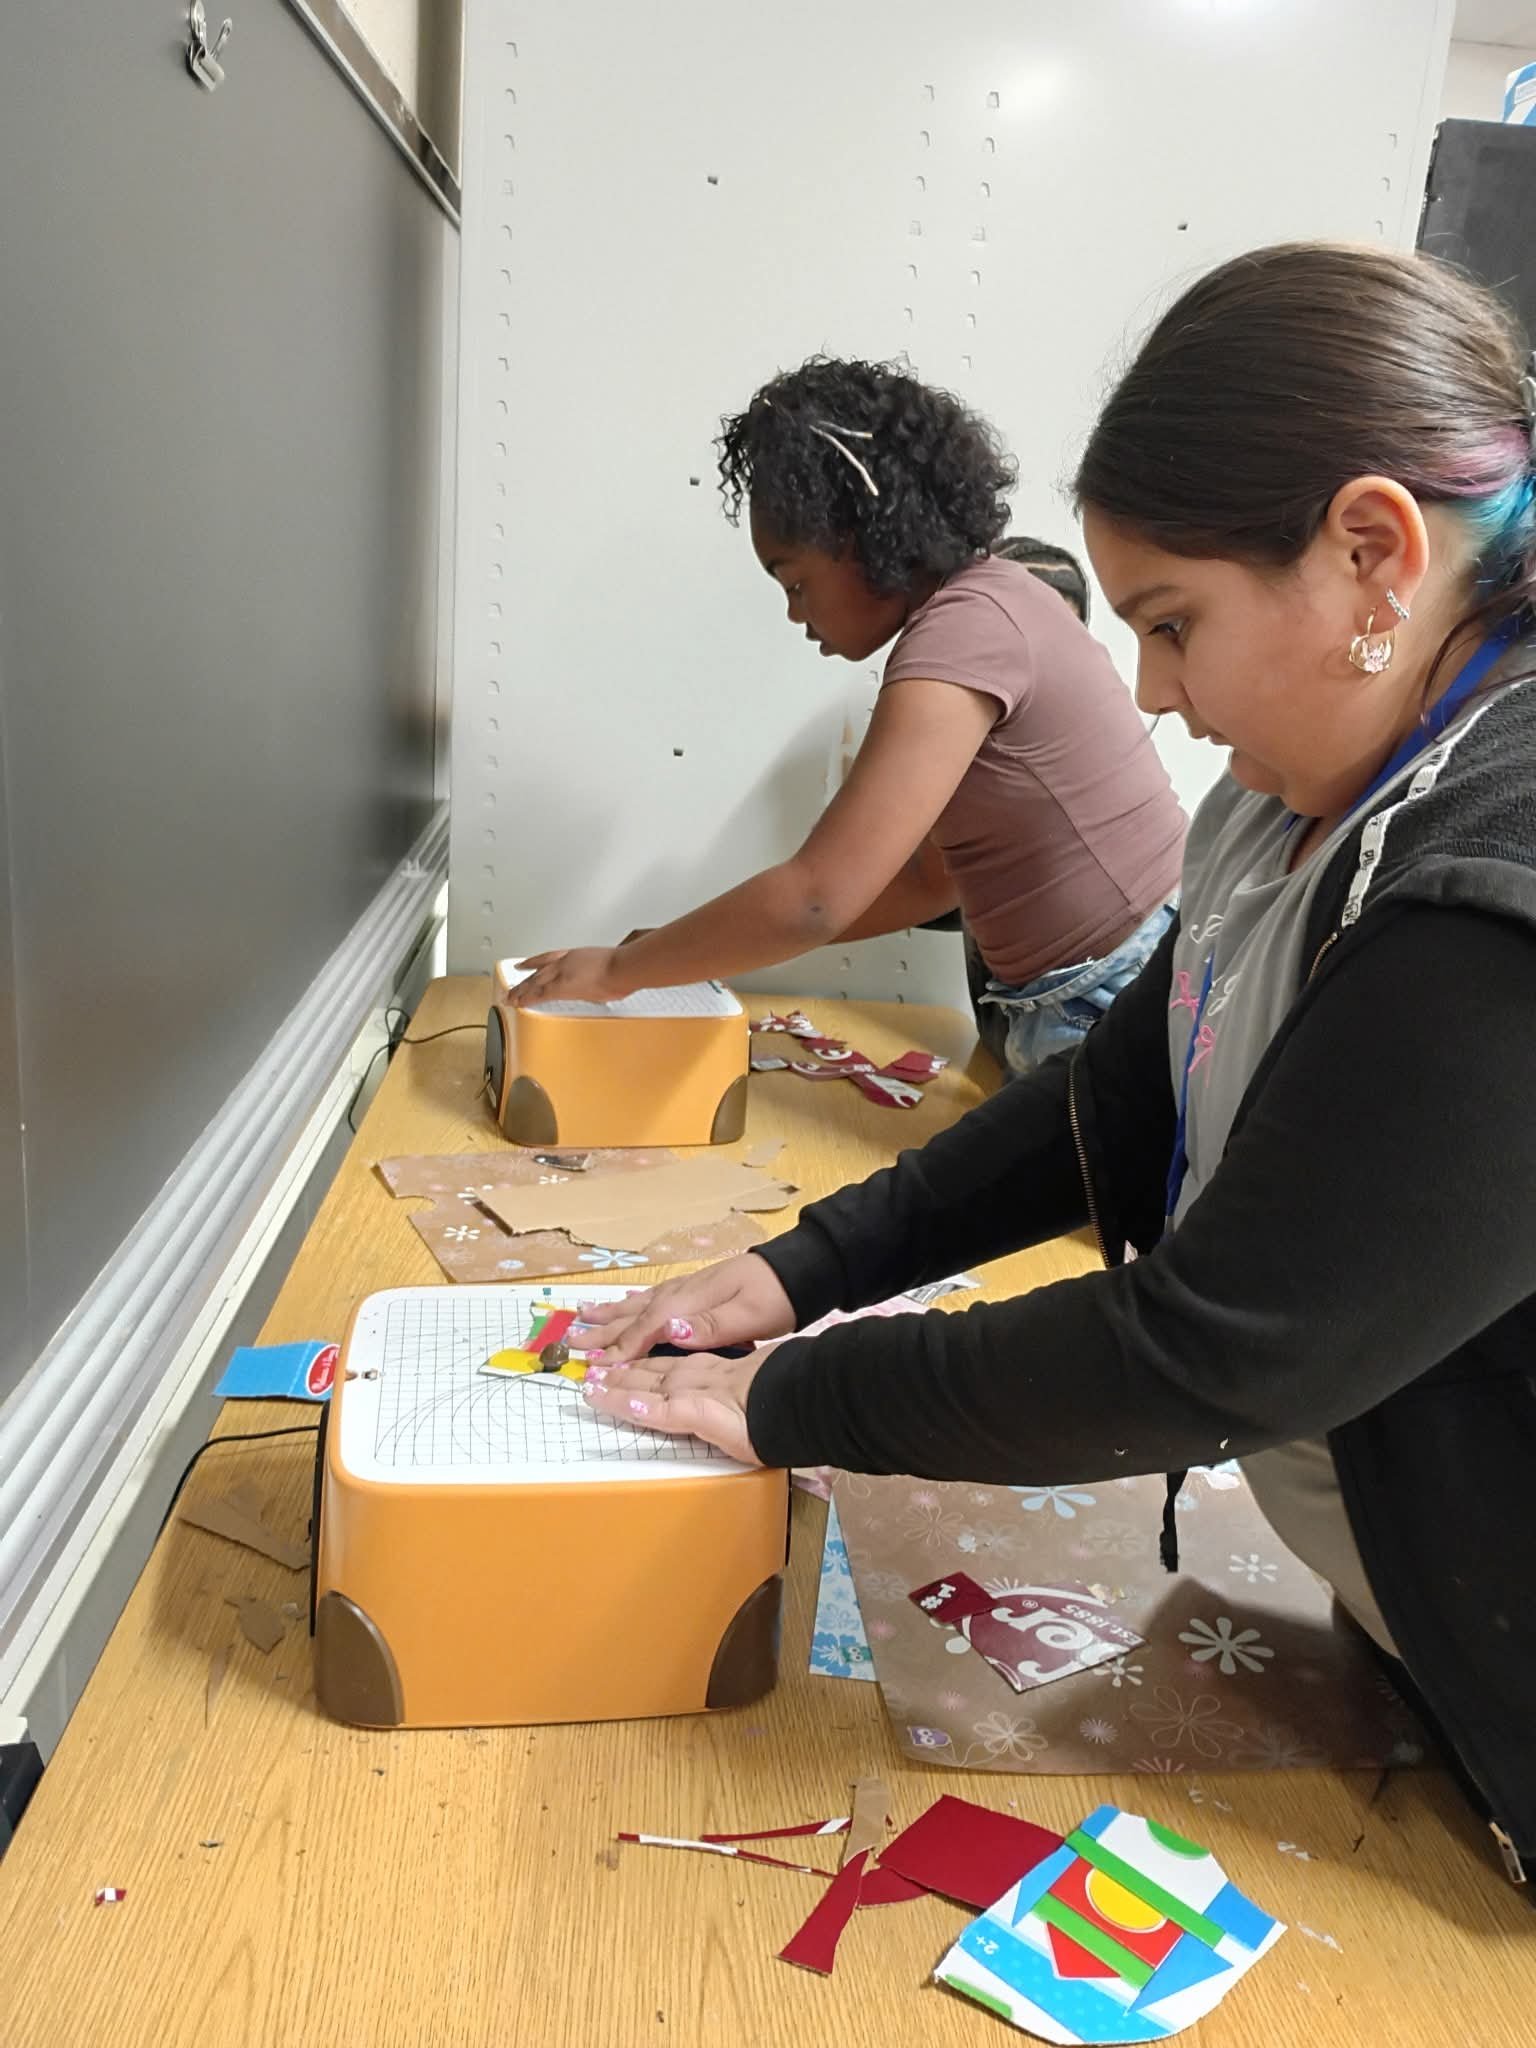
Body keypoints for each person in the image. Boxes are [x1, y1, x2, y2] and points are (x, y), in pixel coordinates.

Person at [574, 245, 1536, 1886]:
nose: (1150, 691)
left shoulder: (1493, 889)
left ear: (1370, 552)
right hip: (1419, 1602)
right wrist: (800, 1266)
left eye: (1174, 624)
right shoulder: (1292, 795)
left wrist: (792, 1397)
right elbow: (1115, 1096)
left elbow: (1217, 1352)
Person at [511, 359, 1185, 1075]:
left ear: (868, 535)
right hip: (1082, 988)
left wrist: (622, 969)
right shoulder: (991, 605)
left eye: (795, 580)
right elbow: (928, 879)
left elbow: (816, 898)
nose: (794, 613)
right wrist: (676, 949)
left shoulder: (968, 629)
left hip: (1111, 993)